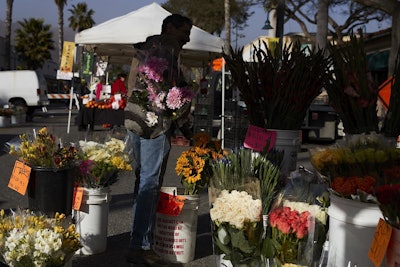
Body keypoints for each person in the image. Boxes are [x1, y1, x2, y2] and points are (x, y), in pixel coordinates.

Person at [124, 14, 193, 266]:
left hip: (133, 119)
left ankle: (136, 239)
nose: (186, 38)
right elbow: (169, 90)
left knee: (141, 181)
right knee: (150, 183)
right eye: (184, 31)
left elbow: (133, 84)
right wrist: (182, 117)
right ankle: (140, 245)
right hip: (154, 124)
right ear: (170, 27)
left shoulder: (144, 47)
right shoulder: (169, 47)